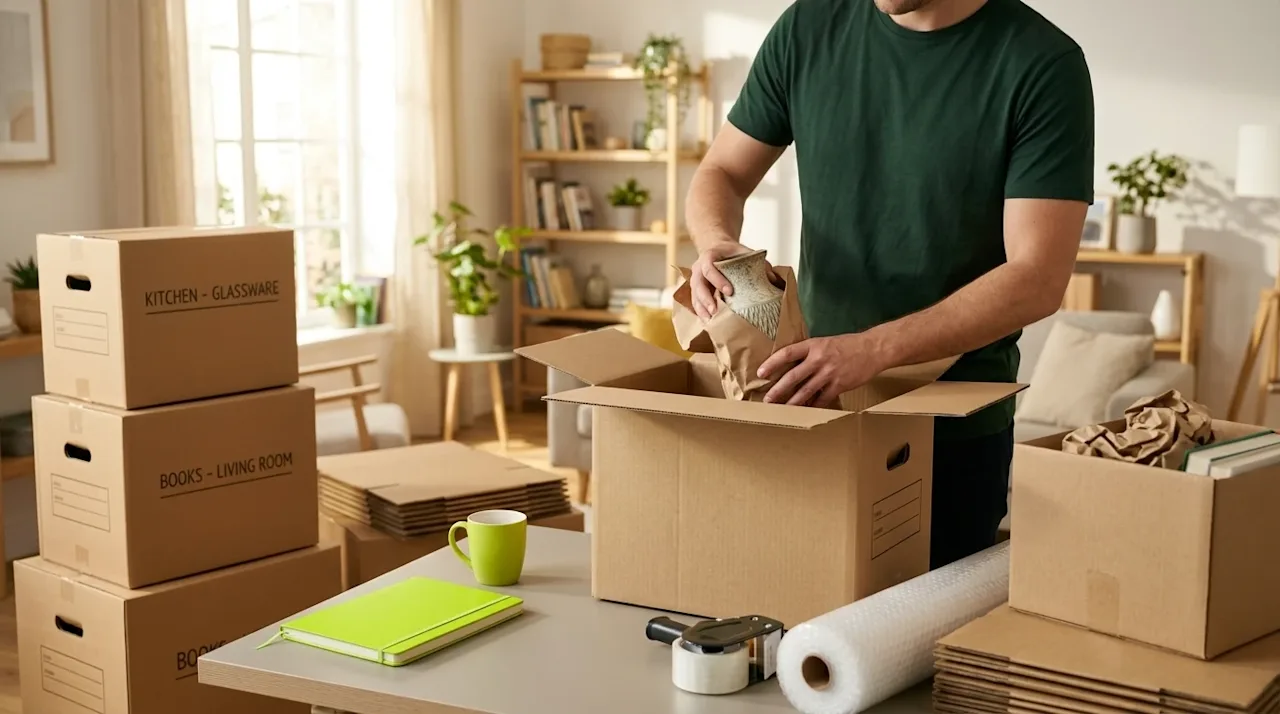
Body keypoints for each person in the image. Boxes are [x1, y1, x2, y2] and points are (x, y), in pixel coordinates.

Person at [685, 0, 1094, 569]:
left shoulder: (1042, 63)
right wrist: (715, 240)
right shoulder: (809, 27)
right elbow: (723, 172)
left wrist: (873, 349)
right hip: (812, 409)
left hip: (949, 430)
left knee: (925, 627)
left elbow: (1038, 277)